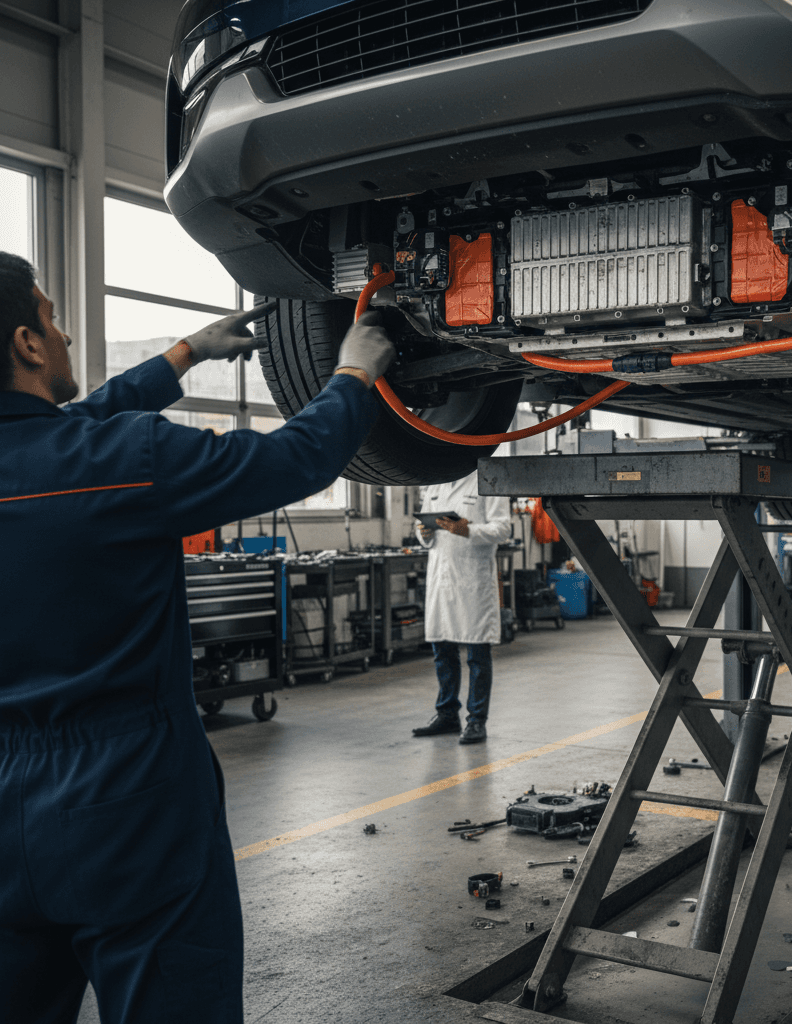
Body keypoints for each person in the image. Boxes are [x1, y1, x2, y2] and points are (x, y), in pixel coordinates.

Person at [0, 251, 394, 1024]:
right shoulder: (125, 457)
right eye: (53, 317)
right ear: (28, 343)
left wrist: (186, 354)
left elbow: (74, 425)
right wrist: (354, 373)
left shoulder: (87, 453)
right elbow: (295, 457)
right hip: (126, 799)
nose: (66, 333)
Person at [414, 470, 511, 744]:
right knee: (442, 651)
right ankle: (447, 714)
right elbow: (422, 528)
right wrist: (423, 533)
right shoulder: (436, 482)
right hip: (441, 579)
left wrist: (467, 530)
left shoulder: (489, 479)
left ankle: (477, 720)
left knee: (477, 655)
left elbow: (503, 529)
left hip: (473, 582)